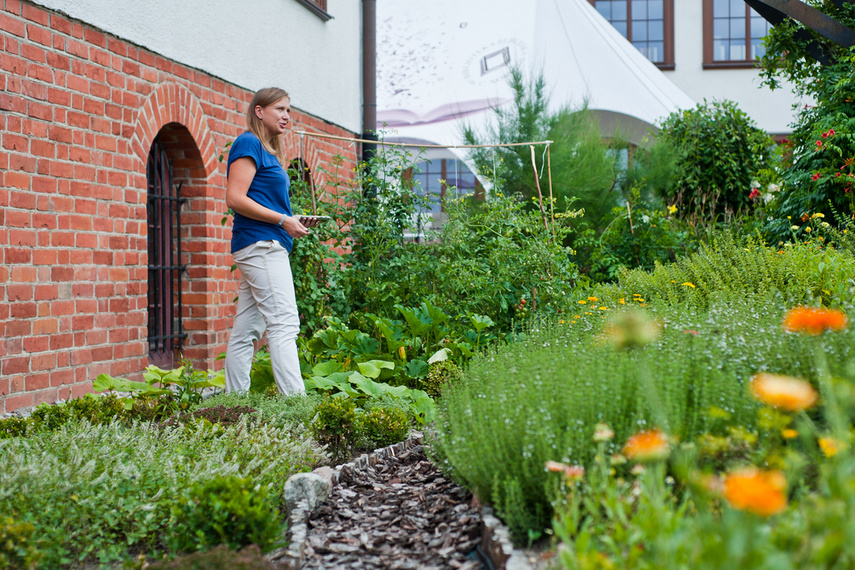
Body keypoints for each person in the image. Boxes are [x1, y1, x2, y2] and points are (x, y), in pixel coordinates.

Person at [223, 87, 319, 394]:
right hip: (261, 245)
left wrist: (292, 219)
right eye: (279, 109)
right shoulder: (249, 142)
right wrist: (282, 220)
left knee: (247, 330)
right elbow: (235, 198)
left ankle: (233, 403)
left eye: (289, 110)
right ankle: (296, 405)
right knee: (284, 324)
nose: (286, 115)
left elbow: (265, 202)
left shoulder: (269, 153)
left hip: (264, 243)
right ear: (259, 111)